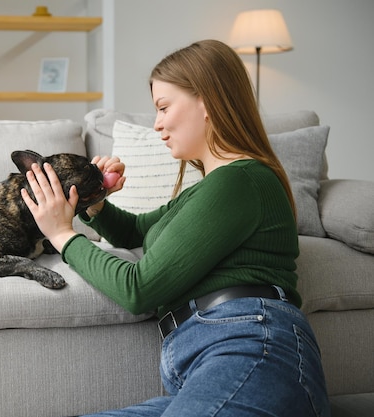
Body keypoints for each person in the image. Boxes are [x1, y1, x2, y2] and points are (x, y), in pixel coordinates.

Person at [21, 39, 330, 417]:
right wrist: (95, 200)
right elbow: (134, 231)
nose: (157, 124)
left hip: (250, 349)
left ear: (209, 101)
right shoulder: (206, 192)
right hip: (209, 363)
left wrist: (61, 235)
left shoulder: (240, 182)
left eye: (164, 107)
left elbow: (138, 288)